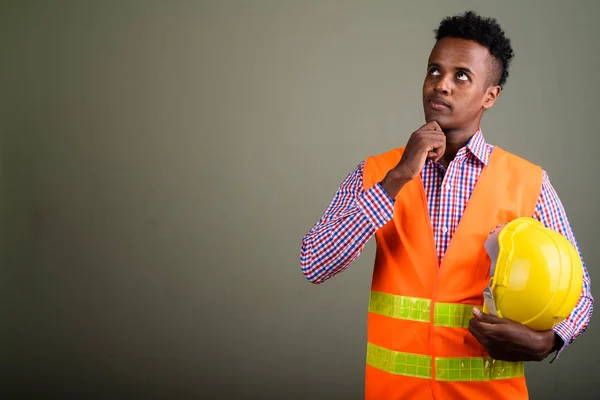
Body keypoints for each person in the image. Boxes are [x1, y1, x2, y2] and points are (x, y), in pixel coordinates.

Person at [299, 10, 593, 400]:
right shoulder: (379, 172)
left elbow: (581, 294)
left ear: (490, 95)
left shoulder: (529, 182)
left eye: (461, 76)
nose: (441, 85)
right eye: (434, 71)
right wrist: (397, 179)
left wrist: (549, 341)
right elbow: (314, 264)